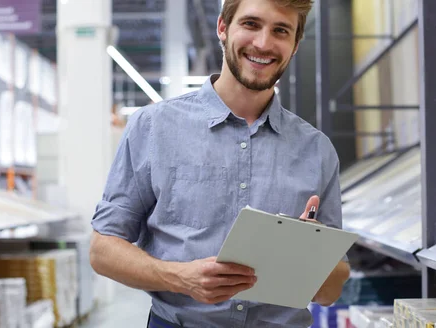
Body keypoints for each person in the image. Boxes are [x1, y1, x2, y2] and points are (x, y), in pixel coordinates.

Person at [89, 0, 350, 327]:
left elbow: (330, 292)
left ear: (295, 45)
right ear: (223, 29)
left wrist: (313, 256)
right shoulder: (154, 127)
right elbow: (103, 250)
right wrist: (179, 277)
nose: (263, 43)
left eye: (280, 31)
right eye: (251, 24)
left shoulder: (317, 150)